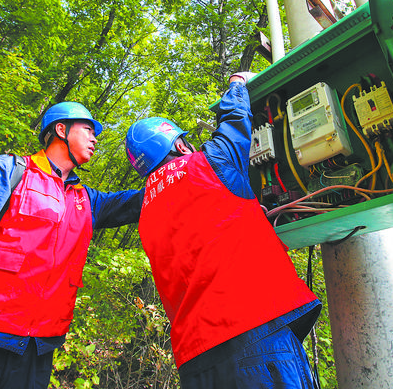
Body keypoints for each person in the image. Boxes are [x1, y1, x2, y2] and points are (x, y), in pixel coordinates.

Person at [0, 101, 144, 389]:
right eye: (87, 129)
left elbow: (140, 202)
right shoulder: (10, 171)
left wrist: (180, 167)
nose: (95, 137)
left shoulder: (86, 199)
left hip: (38, 349)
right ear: (60, 129)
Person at [125, 72, 322, 388]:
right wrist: (237, 83)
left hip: (196, 360)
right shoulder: (209, 163)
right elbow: (234, 120)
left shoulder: (145, 209)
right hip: (255, 332)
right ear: (179, 143)